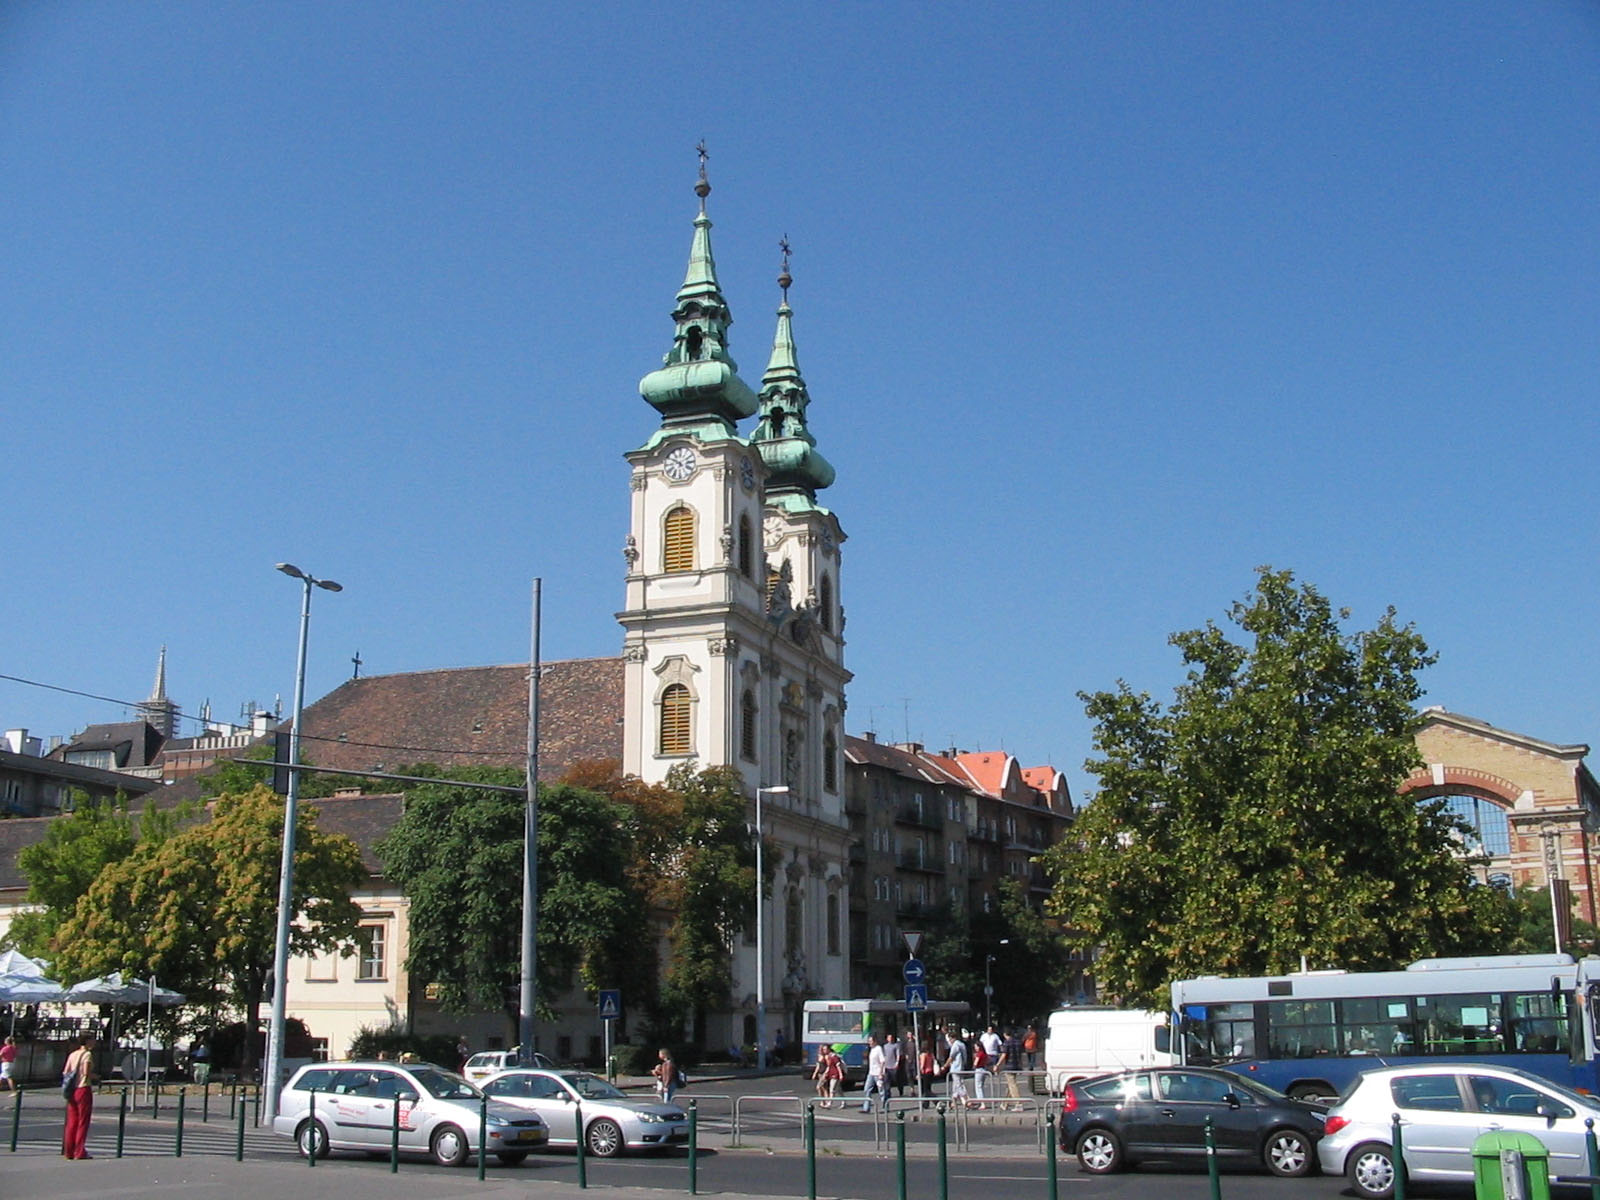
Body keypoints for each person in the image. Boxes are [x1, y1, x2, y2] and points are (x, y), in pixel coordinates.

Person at [61, 1032, 98, 1159]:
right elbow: (86, 1073)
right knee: (83, 1121)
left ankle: (69, 1151)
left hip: (72, 1090)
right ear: (87, 1041)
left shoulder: (73, 1054)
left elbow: (66, 1072)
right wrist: (97, 1077)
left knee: (72, 1121)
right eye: (93, 1039)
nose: (95, 1042)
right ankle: (79, 1151)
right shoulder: (87, 1054)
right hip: (83, 1088)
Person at [860, 1032, 888, 1112]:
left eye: (871, 1041)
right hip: (871, 1073)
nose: (869, 1043)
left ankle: (884, 1107)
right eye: (869, 1041)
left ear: (875, 1041)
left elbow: (882, 1061)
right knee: (866, 1089)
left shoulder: (878, 1049)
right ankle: (866, 1108)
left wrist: (881, 1073)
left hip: (878, 1073)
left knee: (881, 1091)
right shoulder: (871, 1049)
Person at [940, 1029, 968, 1105]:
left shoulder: (955, 1045)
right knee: (955, 1085)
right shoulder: (962, 1044)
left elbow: (951, 1057)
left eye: (950, 1039)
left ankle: (966, 1099)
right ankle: (953, 1102)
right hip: (961, 1066)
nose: (950, 1041)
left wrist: (944, 1066)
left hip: (956, 1067)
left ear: (953, 1038)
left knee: (958, 1085)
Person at [1001, 1026, 1023, 1100]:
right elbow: (1020, 1055)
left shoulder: (1006, 1042)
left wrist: (997, 1064)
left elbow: (1004, 1054)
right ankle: (1005, 1103)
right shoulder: (1018, 1042)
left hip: (1009, 1066)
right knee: (1010, 1084)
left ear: (1004, 1034)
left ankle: (1018, 1102)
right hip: (1016, 1065)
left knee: (1012, 1084)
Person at [880, 1030, 903, 1100]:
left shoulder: (896, 1045)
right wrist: (883, 1065)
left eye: (891, 1038)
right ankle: (888, 1093)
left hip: (893, 1066)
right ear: (887, 1039)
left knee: (896, 1079)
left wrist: (897, 1062)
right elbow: (883, 1056)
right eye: (889, 1038)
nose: (890, 1039)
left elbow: (898, 1054)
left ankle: (900, 1089)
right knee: (887, 1081)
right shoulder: (885, 1046)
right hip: (887, 1066)